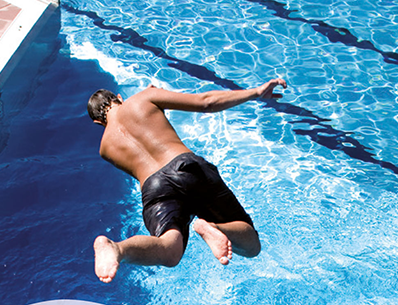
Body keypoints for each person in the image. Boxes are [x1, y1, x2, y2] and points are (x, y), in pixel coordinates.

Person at [88, 78, 287, 283]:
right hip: (187, 168)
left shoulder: (105, 149)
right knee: (251, 246)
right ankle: (215, 228)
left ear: (98, 123)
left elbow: (144, 157)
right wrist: (256, 92)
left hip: (154, 187)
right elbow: (206, 102)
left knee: (169, 249)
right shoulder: (143, 98)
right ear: (119, 98)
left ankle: (118, 249)